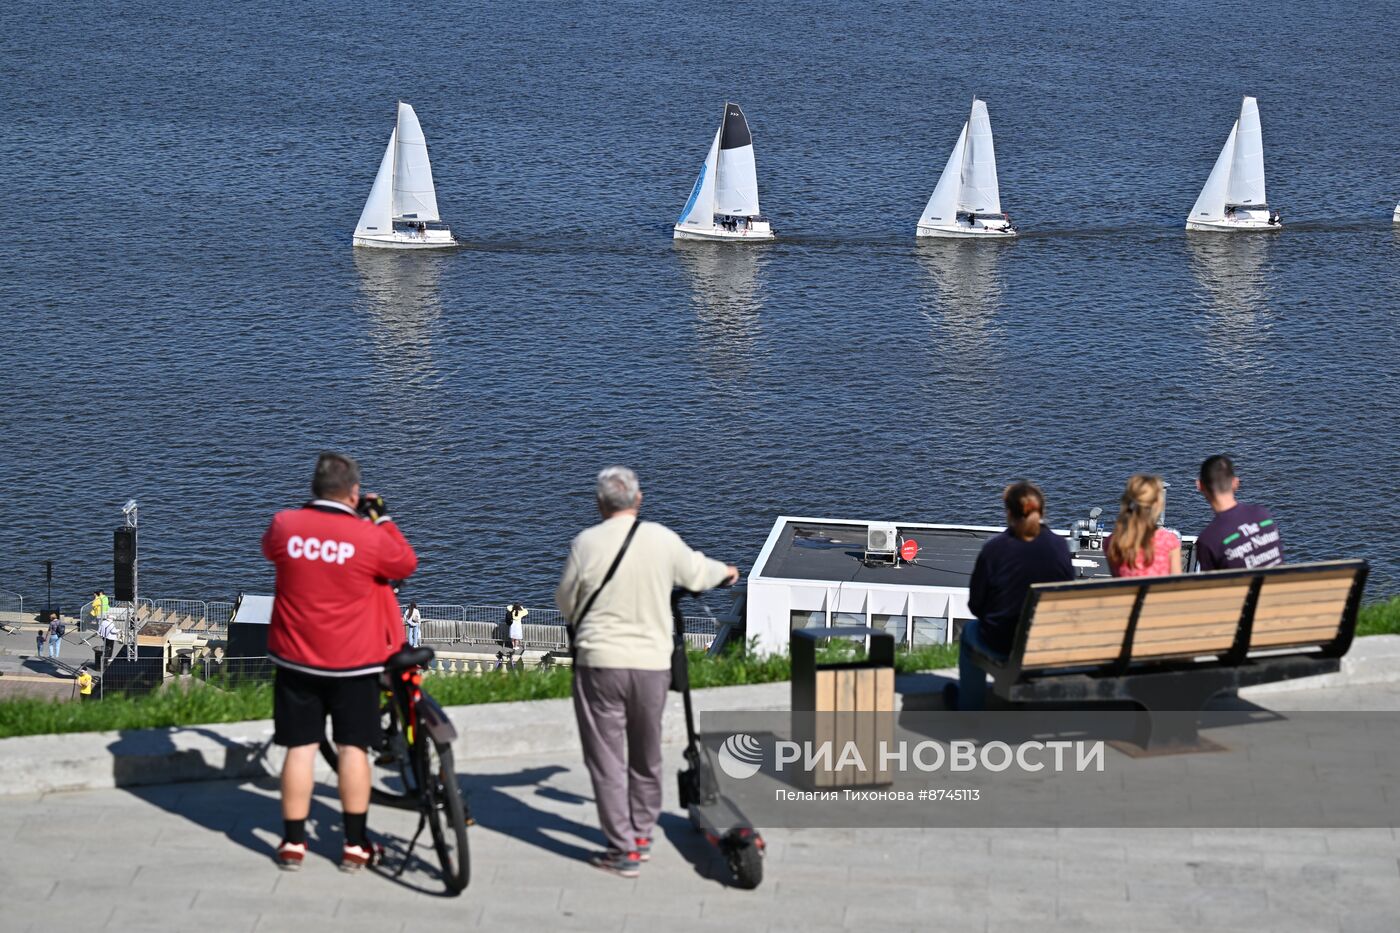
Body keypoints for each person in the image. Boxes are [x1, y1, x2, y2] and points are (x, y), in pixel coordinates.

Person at [555, 466, 739, 878]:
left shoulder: (585, 543)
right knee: (646, 753)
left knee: (606, 758)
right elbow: (697, 572)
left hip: (600, 664)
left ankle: (622, 849)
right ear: (639, 500)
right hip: (652, 666)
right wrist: (727, 572)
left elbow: (566, 601)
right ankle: (641, 833)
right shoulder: (660, 539)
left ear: (600, 504)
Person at [262, 452, 418, 872]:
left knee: (300, 749)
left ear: (314, 488)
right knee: (353, 750)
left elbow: (272, 553)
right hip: (355, 663)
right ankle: (354, 845)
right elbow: (405, 563)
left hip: (296, 660)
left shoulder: (284, 526)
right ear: (354, 493)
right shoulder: (366, 537)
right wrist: (380, 519)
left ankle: (293, 845)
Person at [946, 481, 1074, 711]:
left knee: (969, 633)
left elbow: (976, 605)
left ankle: (969, 710)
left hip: (1002, 643)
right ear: (1042, 511)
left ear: (1008, 513)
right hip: (1044, 642)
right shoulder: (1060, 547)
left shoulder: (995, 549)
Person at [1195, 454, 1283, 571]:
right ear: (1236, 483)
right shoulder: (1263, 515)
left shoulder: (1208, 540)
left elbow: (1211, 587)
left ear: (1200, 486)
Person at [1105, 474, 1182, 578]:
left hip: (1126, 594)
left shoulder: (1112, 542)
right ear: (1157, 504)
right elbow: (1177, 583)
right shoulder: (1169, 541)